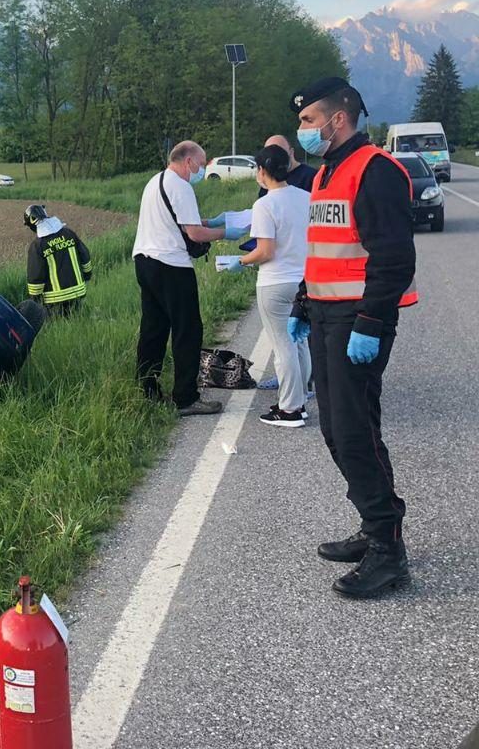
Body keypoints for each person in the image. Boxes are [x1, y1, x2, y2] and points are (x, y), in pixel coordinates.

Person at [287, 76, 417, 599]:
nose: (303, 131)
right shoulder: (326, 175)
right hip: (324, 316)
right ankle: (375, 522)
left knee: (354, 431)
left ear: (337, 119)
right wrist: (302, 303)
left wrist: (369, 321)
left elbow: (394, 259)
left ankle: (389, 552)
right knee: (339, 432)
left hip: (357, 320)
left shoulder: (376, 171)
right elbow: (321, 249)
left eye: (308, 120)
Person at [133, 141, 228, 417]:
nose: (201, 170)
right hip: (171, 265)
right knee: (188, 329)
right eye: (201, 163)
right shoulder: (181, 185)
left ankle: (147, 390)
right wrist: (225, 232)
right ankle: (186, 397)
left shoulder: (155, 181)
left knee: (153, 328)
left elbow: (178, 222)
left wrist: (206, 223)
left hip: (145, 260)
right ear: (188, 161)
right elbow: (194, 234)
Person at [237, 144, 312, 427]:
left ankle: (290, 409)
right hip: (304, 280)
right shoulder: (306, 197)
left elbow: (265, 251)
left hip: (275, 282)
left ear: (262, 171)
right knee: (300, 341)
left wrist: (241, 261)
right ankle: (301, 398)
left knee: (283, 348)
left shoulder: (265, 204)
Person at [24, 204, 92, 318]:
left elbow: (35, 275)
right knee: (78, 321)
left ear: (32, 224)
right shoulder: (69, 234)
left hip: (55, 300)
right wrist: (87, 275)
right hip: (78, 292)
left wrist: (35, 298)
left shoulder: (38, 246)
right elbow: (85, 255)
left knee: (61, 327)